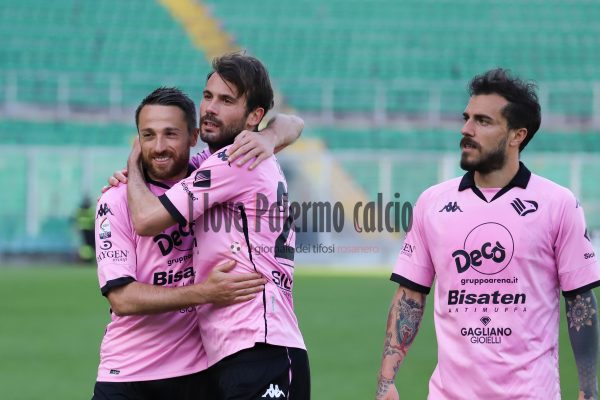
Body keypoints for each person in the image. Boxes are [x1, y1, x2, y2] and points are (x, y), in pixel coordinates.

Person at [376, 68, 600, 400]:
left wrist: (588, 390)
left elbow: (580, 301)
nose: (466, 129)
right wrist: (386, 381)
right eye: (467, 118)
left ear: (516, 135)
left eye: (483, 121)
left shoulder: (557, 203)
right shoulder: (432, 203)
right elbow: (410, 295)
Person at [93, 86, 302, 400]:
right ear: (137, 143)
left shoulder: (210, 173)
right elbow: (122, 298)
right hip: (128, 374)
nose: (159, 147)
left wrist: (268, 137)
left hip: (199, 376)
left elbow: (293, 123)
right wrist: (205, 292)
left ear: (193, 137)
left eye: (170, 134)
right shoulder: (117, 199)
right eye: (148, 135)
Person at [74, 195, 95, 262]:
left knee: (85, 246)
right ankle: (88, 259)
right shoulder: (90, 210)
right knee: (89, 245)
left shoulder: (79, 210)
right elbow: (93, 220)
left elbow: (76, 220)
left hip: (82, 230)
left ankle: (85, 258)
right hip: (89, 230)